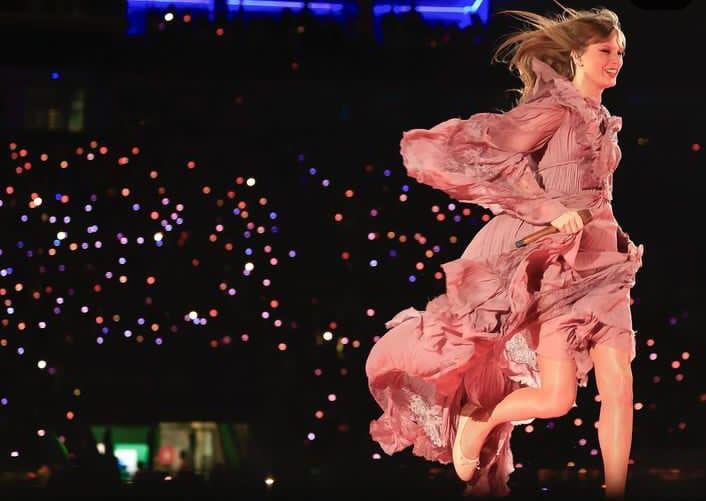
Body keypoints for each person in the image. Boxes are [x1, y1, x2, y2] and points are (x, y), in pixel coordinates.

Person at [365, 2, 643, 499]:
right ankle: (481, 419)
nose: (616, 60)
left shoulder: (603, 119)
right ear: (577, 56)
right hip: (560, 266)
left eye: (620, 52)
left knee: (619, 385)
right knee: (556, 399)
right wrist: (548, 208)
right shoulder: (556, 109)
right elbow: (494, 151)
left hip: (606, 261)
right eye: (605, 50)